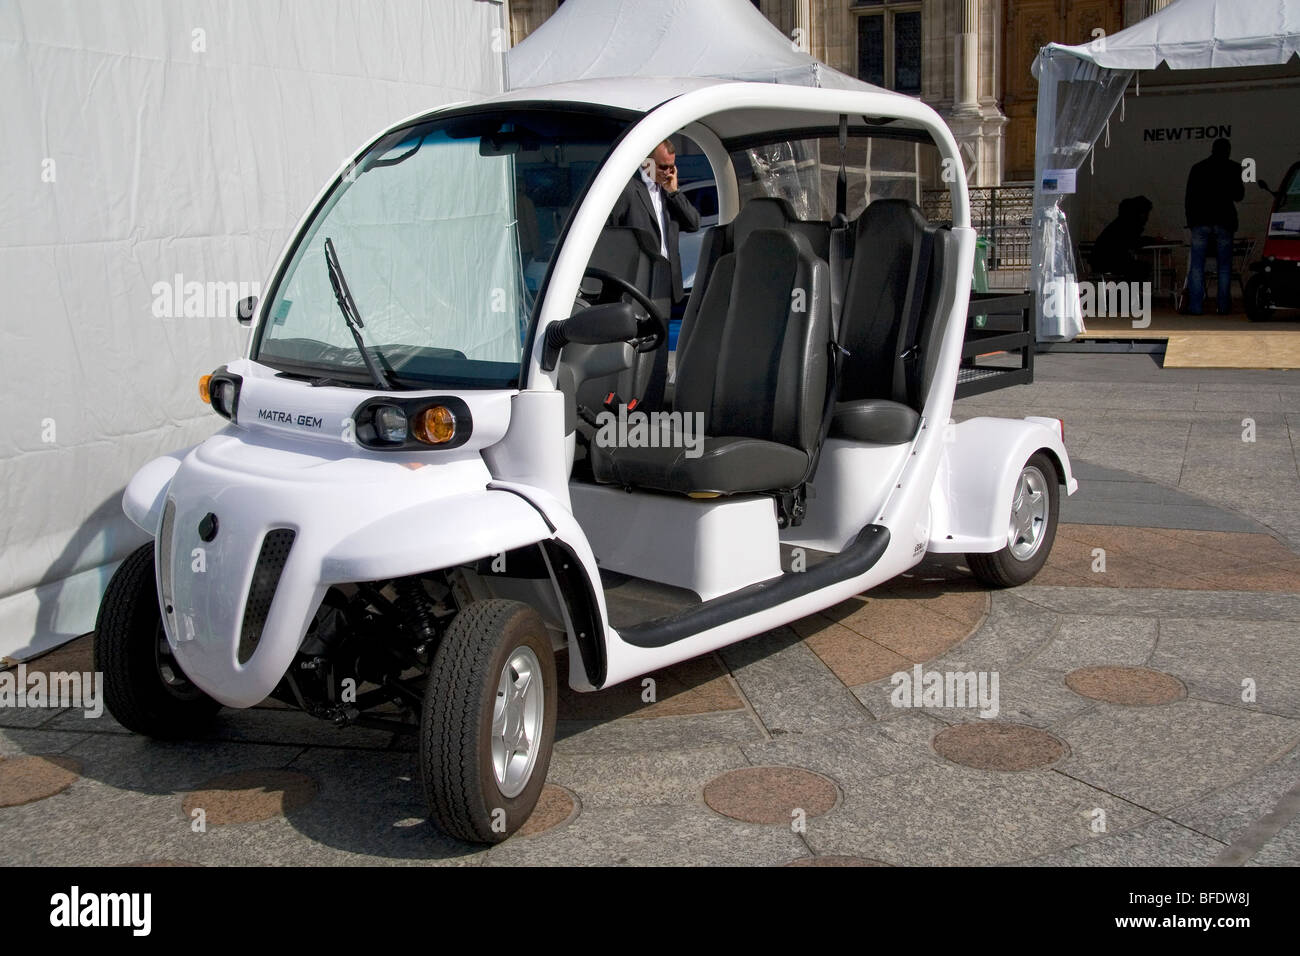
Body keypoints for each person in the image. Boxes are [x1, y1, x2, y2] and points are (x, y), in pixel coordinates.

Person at [607, 139, 700, 303]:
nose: (668, 172)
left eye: (672, 167)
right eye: (663, 167)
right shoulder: (628, 189)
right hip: (638, 282)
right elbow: (609, 232)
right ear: (646, 162)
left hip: (666, 283)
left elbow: (693, 224)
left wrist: (674, 192)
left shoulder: (669, 191)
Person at [1184, 137, 1245, 314]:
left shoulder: (1198, 168)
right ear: (1228, 151)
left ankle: (1195, 307)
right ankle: (1223, 306)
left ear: (1212, 149)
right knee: (1224, 267)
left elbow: (1190, 198)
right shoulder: (1233, 167)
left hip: (1201, 221)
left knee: (1197, 265)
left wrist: (1191, 221)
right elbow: (1239, 195)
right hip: (1224, 220)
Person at [1090, 195, 1156, 282]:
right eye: (1145, 214)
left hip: (1103, 261)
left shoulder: (1121, 223)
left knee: (1139, 268)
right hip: (1108, 262)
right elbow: (1134, 242)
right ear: (1139, 213)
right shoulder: (1128, 225)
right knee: (1142, 269)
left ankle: (1128, 293)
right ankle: (1130, 294)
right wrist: (1152, 240)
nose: (1147, 218)